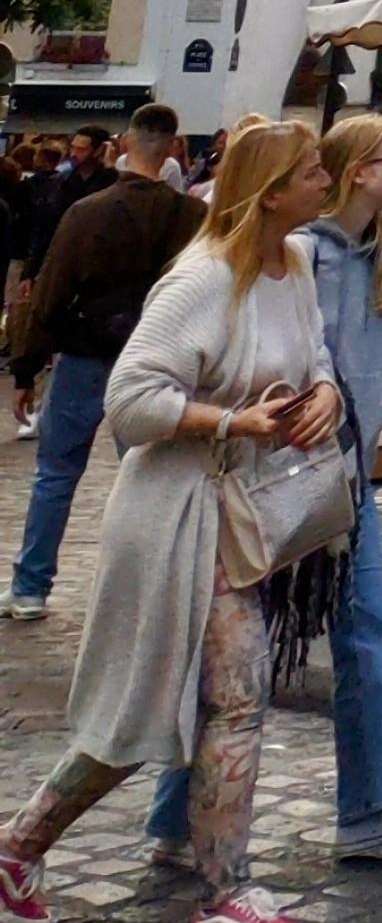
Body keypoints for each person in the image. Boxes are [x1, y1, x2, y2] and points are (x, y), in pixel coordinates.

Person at [0, 122, 346, 923]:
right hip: (175, 515)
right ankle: (224, 894)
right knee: (201, 699)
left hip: (236, 513)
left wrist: (326, 392)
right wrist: (232, 418)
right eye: (311, 172)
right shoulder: (199, 280)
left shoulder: (293, 264)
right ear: (269, 192)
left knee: (185, 703)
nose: (325, 181)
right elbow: (132, 401)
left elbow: (314, 355)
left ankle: (18, 850)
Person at [151, 115, 382, 871]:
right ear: (359, 174)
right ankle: (176, 817)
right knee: (234, 657)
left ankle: (371, 808)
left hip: (335, 484)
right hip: (274, 480)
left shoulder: (375, 256)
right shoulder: (296, 259)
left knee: (363, 640)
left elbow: (359, 367)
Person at [7, 102, 203, 624]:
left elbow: (51, 291)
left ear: (124, 147)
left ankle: (30, 585)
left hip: (88, 353)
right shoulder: (193, 218)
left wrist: (26, 365)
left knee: (56, 473)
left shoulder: (90, 212)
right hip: (158, 357)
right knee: (149, 478)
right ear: (170, 152)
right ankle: (147, 590)